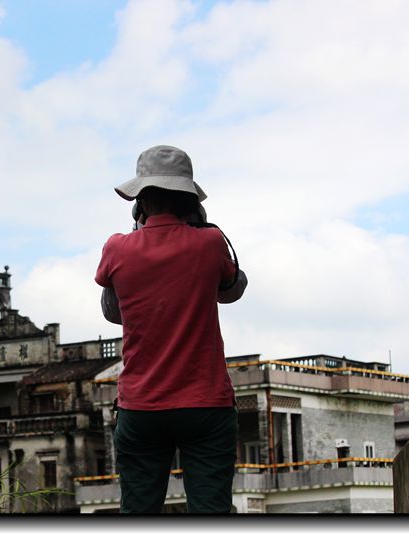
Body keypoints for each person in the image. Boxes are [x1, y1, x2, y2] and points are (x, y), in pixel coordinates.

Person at [94, 145, 247, 514]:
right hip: (206, 404)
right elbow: (232, 291)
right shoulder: (210, 242)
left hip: (141, 405)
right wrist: (200, 227)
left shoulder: (117, 248)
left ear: (140, 202)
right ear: (190, 200)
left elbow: (113, 312)